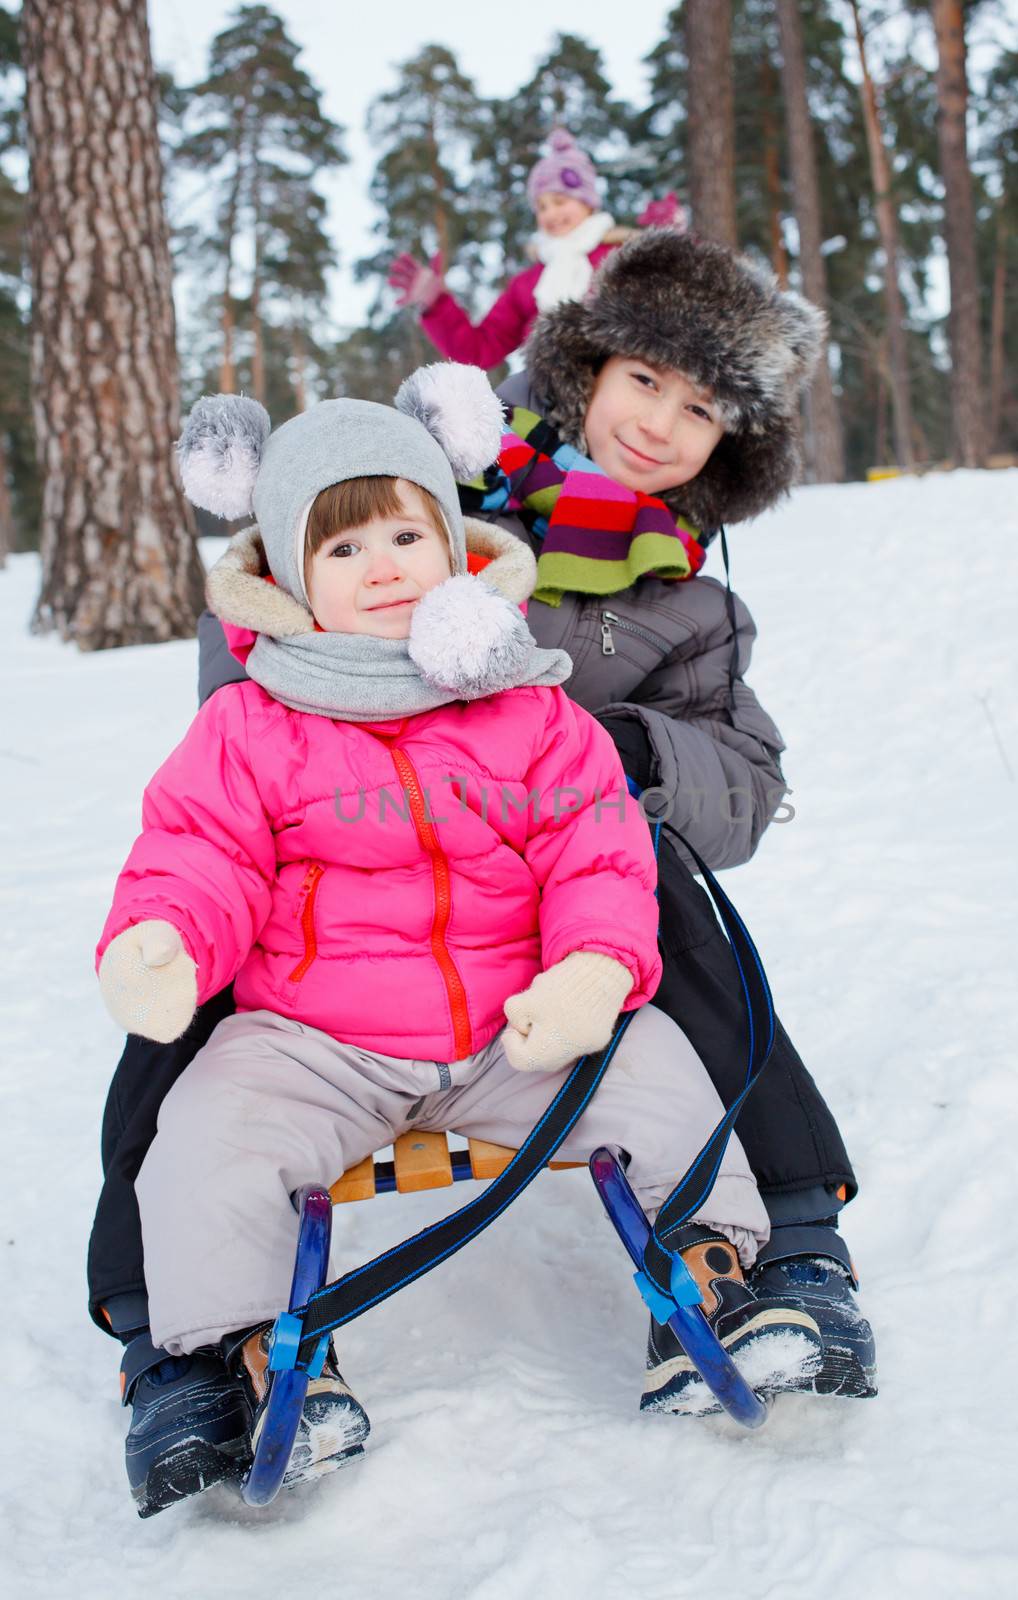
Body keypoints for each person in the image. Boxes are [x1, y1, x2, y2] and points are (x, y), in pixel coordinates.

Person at [95, 363, 821, 1517]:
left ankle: (714, 1282)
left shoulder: (529, 706)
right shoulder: (251, 720)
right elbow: (202, 851)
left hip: (511, 1027)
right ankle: (247, 1356)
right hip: (316, 1039)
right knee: (210, 1131)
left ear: (455, 542)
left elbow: (595, 846)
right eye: (343, 550)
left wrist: (591, 969)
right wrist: (167, 938)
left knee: (652, 1074)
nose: (382, 565)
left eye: (404, 532)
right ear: (287, 574)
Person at [389, 127, 631, 369]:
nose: (551, 214)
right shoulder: (527, 284)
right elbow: (479, 351)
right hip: (545, 398)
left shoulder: (624, 257)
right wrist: (437, 304)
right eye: (542, 207)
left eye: (560, 201)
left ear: (588, 203)